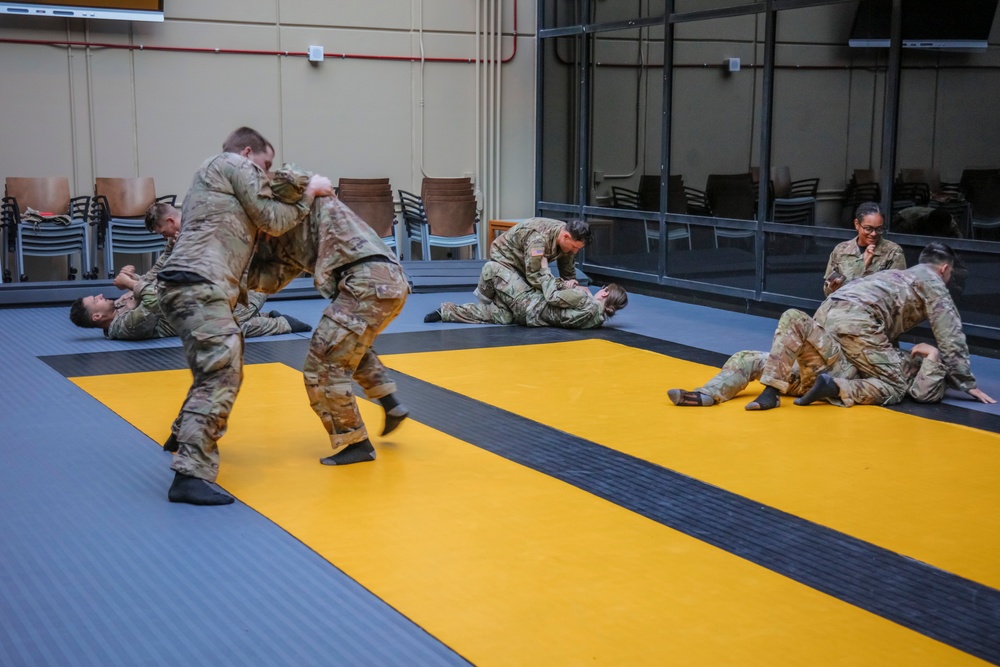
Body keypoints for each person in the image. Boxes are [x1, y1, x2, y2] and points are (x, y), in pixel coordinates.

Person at [156, 126, 333, 506]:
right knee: (222, 372)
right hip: (198, 283)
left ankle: (180, 434)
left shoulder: (210, 181)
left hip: (189, 283)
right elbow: (271, 217)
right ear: (249, 152)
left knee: (215, 366)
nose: (266, 175)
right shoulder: (232, 162)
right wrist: (309, 192)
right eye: (265, 165)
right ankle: (189, 474)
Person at [247, 164, 410, 467]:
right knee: (348, 348)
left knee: (322, 365)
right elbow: (269, 280)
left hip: (365, 279)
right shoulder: (282, 238)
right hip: (383, 282)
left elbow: (289, 176)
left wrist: (311, 187)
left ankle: (355, 442)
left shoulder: (282, 198)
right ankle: (389, 402)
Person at [747, 242, 994, 410]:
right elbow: (950, 335)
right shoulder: (933, 282)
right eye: (950, 275)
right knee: (895, 386)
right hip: (857, 322)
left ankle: (771, 390)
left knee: (849, 363)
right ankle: (835, 389)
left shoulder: (897, 276)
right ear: (944, 268)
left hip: (828, 311)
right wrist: (964, 382)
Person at [667, 343, 949, 407]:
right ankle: (707, 395)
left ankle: (781, 390)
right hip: (828, 362)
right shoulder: (881, 343)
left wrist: (933, 356)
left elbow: (923, 393)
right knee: (748, 358)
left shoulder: (914, 371)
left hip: (840, 376)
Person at [424, 259, 627, 329]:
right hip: (531, 318)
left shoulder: (583, 298)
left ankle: (484, 298)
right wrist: (569, 287)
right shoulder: (597, 320)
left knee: (492, 267)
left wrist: (547, 270)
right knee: (500, 315)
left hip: (530, 303)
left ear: (606, 292)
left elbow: (551, 297)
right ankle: (446, 312)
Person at [486, 217, 592, 305]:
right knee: (524, 302)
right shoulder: (537, 240)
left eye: (578, 248)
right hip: (505, 258)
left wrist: (572, 286)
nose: (575, 251)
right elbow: (533, 275)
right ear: (566, 237)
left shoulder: (568, 237)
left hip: (525, 259)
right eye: (574, 247)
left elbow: (567, 270)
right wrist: (561, 285)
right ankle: (488, 290)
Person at [823, 202, 905, 296]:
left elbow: (896, 293)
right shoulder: (841, 249)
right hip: (842, 307)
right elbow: (827, 290)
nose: (874, 233)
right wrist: (832, 287)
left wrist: (866, 267)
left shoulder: (893, 252)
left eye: (879, 229)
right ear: (857, 224)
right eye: (868, 228)